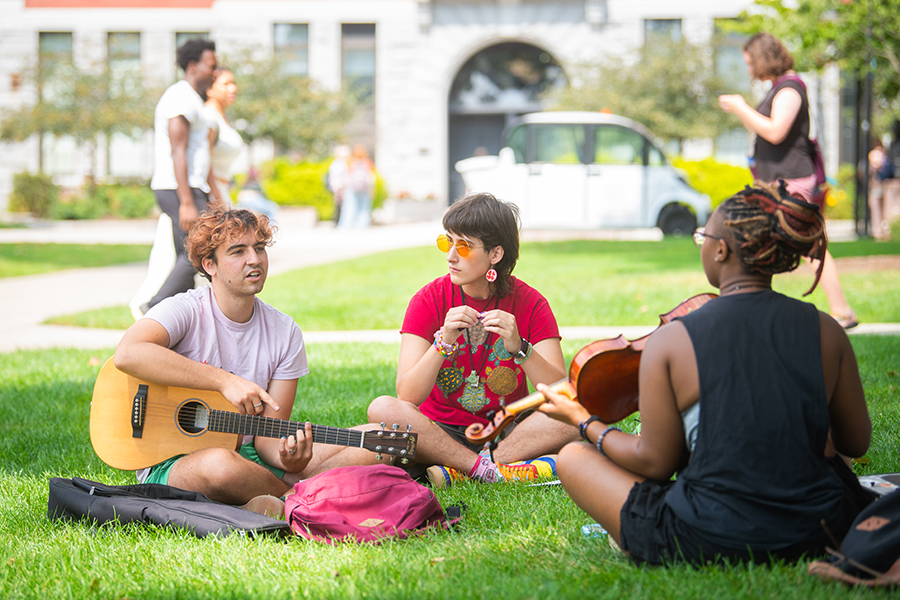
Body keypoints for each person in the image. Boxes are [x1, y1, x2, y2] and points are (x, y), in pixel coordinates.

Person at [537, 182, 872, 566]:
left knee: (572, 459)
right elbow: (855, 442)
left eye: (702, 238)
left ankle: (636, 537)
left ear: (721, 249)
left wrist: (584, 422)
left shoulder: (674, 340)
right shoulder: (826, 329)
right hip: (821, 528)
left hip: (705, 536)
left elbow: (655, 465)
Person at [115, 208, 380, 515]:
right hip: (174, 459)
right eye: (238, 251)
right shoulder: (185, 310)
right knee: (221, 466)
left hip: (250, 456)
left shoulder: (284, 331)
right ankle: (299, 498)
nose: (254, 260)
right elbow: (128, 353)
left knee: (372, 441)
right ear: (209, 264)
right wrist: (224, 380)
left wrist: (289, 459)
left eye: (259, 248)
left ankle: (269, 499)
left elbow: (268, 439)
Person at [367, 192, 578, 488]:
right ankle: (487, 468)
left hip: (507, 432)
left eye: (463, 246)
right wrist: (443, 342)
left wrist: (521, 348)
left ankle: (469, 468)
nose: (450, 255)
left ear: (495, 254)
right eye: (447, 241)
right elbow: (407, 396)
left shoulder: (531, 303)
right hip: (438, 431)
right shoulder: (428, 300)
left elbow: (559, 391)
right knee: (382, 408)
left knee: (577, 412)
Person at [718, 32, 859, 329]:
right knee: (760, 242)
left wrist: (741, 107)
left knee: (808, 247)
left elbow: (775, 131)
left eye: (749, 62)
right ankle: (754, 308)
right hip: (777, 182)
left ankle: (843, 311)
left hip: (792, 182)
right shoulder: (779, 88)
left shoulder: (790, 88)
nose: (748, 69)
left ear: (763, 58)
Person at [145, 38, 219, 314]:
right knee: (201, 252)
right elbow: (178, 151)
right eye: (211, 66)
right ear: (192, 66)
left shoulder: (192, 99)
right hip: (178, 189)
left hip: (188, 188)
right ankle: (153, 308)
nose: (215, 71)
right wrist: (187, 201)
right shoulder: (180, 97)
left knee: (188, 255)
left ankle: (177, 321)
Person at [337, 144, 375, 228]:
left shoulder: (351, 162)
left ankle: (347, 225)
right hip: (364, 188)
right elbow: (371, 178)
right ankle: (363, 225)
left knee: (349, 207)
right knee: (364, 208)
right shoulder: (368, 162)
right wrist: (372, 190)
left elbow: (346, 176)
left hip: (351, 188)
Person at [867, 142, 894, 241]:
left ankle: (883, 231)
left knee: (883, 210)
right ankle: (878, 231)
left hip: (883, 186)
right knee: (876, 210)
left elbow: (889, 172)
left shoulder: (886, 161)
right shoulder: (872, 161)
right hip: (875, 186)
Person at [327, 145, 351, 225]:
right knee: (339, 206)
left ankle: (340, 222)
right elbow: (336, 178)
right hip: (339, 188)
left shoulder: (341, 163)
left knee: (340, 206)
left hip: (340, 187)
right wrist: (337, 189)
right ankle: (338, 222)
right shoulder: (338, 163)